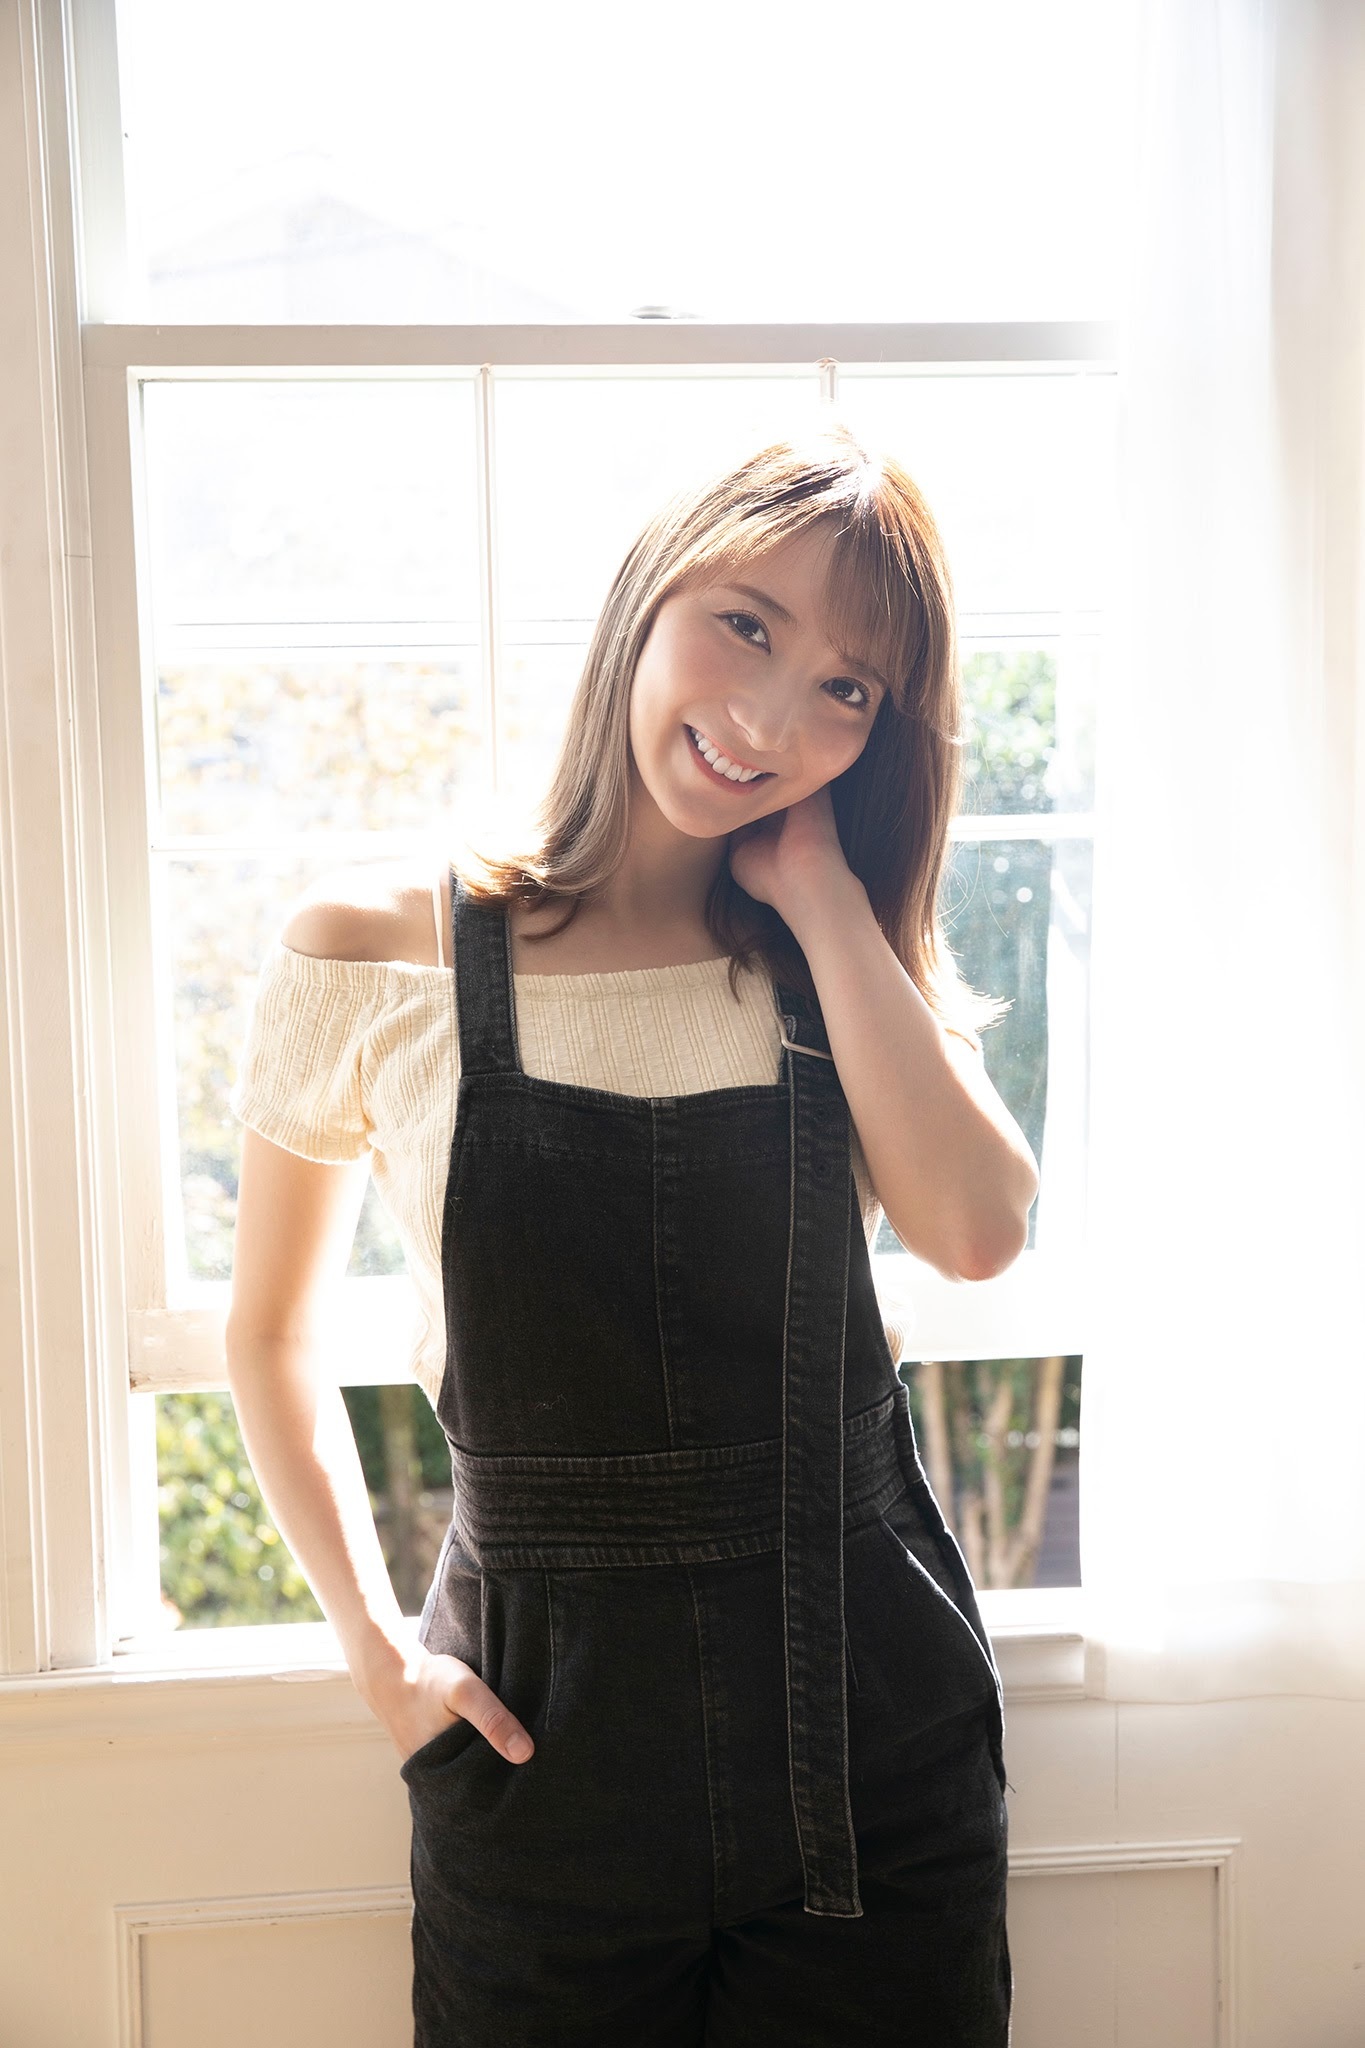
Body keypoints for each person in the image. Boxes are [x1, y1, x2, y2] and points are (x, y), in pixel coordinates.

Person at [226, 419, 1039, 2046]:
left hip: (869, 1739)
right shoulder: (370, 951)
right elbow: (269, 1336)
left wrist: (819, 895)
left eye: (845, 689)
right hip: (541, 1749)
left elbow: (974, 1230)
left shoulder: (831, 959)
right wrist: (377, 1655)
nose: (769, 718)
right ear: (646, 594)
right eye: (746, 624)